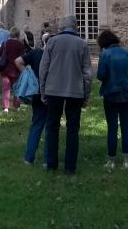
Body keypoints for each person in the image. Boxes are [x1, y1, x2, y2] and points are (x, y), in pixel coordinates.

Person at [39, 15, 93, 175]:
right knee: (73, 129)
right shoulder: (82, 44)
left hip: (53, 89)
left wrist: (43, 90)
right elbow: (87, 73)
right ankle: (70, 167)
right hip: (75, 91)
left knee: (52, 127)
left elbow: (43, 68)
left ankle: (51, 164)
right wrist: (86, 94)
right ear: (75, 27)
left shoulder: (52, 42)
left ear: (61, 28)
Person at [96, 29, 128, 170]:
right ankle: (127, 161)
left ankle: (111, 161)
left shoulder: (105, 54)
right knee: (126, 127)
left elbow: (100, 75)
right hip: (127, 93)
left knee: (112, 128)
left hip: (111, 94)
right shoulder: (127, 52)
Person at [16, 32, 51, 166]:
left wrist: (29, 75)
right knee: (50, 127)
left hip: (36, 92)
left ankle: (29, 158)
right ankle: (47, 160)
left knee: (36, 124)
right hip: (51, 93)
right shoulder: (55, 55)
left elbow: (18, 61)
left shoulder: (36, 53)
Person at [0, 26, 24, 112]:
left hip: (5, 69)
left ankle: (6, 107)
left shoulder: (5, 43)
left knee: (6, 88)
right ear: (18, 34)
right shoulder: (20, 44)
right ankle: (17, 106)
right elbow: (23, 57)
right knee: (17, 88)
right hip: (16, 69)